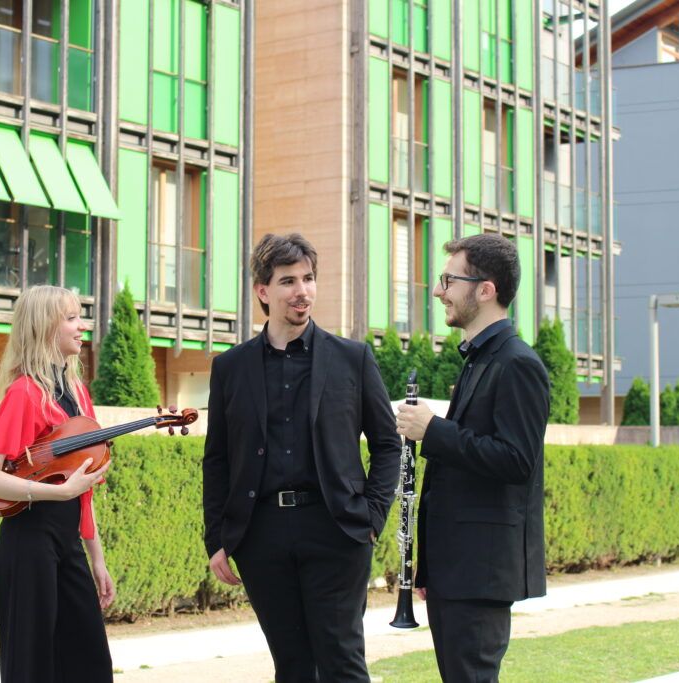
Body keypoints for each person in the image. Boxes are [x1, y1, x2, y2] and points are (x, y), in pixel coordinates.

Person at [203, 233, 401, 682]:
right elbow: (217, 459)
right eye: (288, 280)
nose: (302, 291)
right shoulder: (230, 367)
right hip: (262, 536)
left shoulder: (352, 358)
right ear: (263, 292)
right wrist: (217, 536)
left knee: (342, 662)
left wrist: (372, 517)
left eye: (309, 279)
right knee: (291, 667)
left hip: (336, 529)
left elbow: (388, 443)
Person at [395, 233, 550, 683]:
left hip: (479, 572)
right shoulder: (479, 360)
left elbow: (516, 461)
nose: (440, 291)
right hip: (457, 570)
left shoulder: (516, 363)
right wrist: (431, 567)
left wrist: (433, 431)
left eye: (449, 280)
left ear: (486, 289)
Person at [0, 285, 114, 683]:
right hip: (28, 542)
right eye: (71, 318)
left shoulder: (79, 395)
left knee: (90, 664)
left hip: (67, 545)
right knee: (32, 668)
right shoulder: (26, 393)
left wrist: (96, 559)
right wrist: (54, 492)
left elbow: (82, 489)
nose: (82, 326)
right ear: (45, 326)